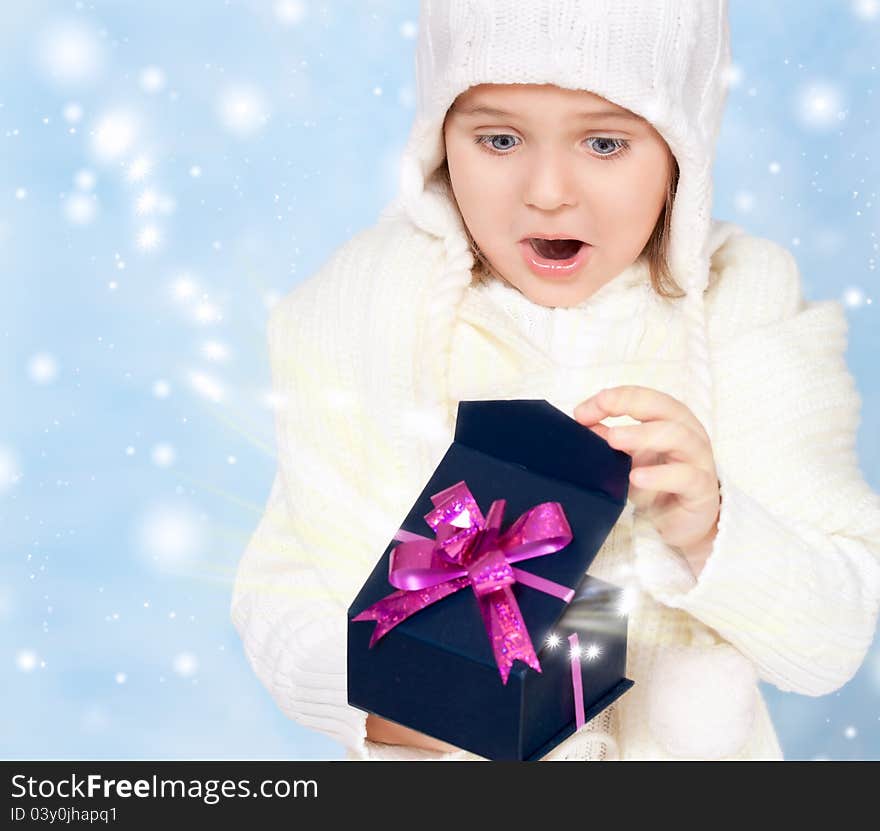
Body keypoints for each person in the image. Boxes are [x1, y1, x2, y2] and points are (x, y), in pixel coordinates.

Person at [231, 0, 880, 761]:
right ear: (440, 140)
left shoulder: (748, 310)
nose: (546, 191)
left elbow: (834, 640)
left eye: (604, 142)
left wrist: (711, 527)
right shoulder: (363, 316)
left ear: (681, 150)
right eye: (498, 138)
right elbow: (280, 593)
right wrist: (405, 713)